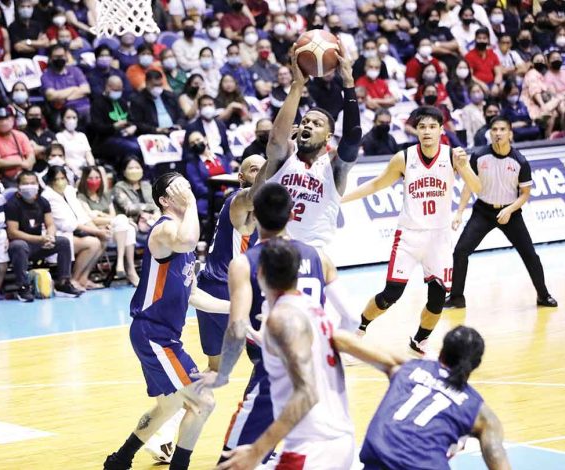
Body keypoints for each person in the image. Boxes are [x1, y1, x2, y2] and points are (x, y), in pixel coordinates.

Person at [193, 183, 358, 465]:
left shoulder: (246, 263)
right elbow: (352, 317)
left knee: (231, 460)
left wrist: (222, 374)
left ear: (254, 216)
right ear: (292, 215)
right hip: (322, 375)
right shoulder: (319, 256)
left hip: (274, 373)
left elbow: (237, 326)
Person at [103, 173, 229, 470]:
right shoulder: (166, 230)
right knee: (204, 403)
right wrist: (192, 202)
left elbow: (193, 294)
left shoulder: (181, 238)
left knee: (169, 405)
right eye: (180, 187)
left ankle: (120, 460)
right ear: (164, 200)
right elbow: (187, 240)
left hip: (159, 334)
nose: (187, 188)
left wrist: (235, 307)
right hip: (154, 333)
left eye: (188, 183)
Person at [342, 106, 482, 355]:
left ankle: (419, 341)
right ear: (416, 130)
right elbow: (376, 184)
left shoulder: (453, 156)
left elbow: (478, 189)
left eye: (432, 127)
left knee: (438, 300)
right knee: (390, 295)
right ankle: (360, 327)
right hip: (409, 236)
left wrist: (466, 166)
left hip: (439, 238)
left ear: (441, 130)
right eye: (422, 127)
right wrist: (340, 199)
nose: (427, 131)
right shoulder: (404, 158)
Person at [211, 237, 355, 470]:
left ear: (261, 277)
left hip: (310, 448)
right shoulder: (319, 322)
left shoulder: (278, 320)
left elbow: (306, 394)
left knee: (232, 463)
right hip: (344, 438)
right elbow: (355, 321)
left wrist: (257, 450)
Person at [358, 326, 512, 470]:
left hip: (379, 455)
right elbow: (499, 460)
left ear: (441, 352)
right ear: (476, 364)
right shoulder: (478, 411)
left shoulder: (409, 369)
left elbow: (346, 341)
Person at [446, 116, 557, 309]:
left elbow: (525, 194)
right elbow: (468, 187)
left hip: (511, 213)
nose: (498, 133)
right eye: (494, 129)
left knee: (530, 255)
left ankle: (543, 295)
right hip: (483, 211)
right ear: (490, 133)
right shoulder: (479, 156)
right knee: (460, 251)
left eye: (502, 129)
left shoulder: (520, 161)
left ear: (510, 134)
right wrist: (459, 213)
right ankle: (456, 297)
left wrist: (509, 209)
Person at [261, 43, 361, 248]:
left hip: (313, 251)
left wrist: (348, 83)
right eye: (306, 121)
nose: (308, 124)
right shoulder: (286, 154)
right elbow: (274, 140)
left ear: (328, 137)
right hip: (273, 248)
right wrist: (297, 85)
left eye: (317, 124)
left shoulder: (333, 167)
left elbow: (352, 137)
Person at [195, 154, 265, 372]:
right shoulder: (237, 200)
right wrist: (279, 158)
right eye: (256, 170)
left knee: (215, 369)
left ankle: (187, 406)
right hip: (226, 288)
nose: (262, 173)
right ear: (241, 177)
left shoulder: (266, 209)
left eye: (264, 169)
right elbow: (255, 195)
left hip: (214, 285)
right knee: (266, 360)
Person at [5, 171, 81, 301]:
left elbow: (50, 224)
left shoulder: (43, 201)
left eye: (32, 183)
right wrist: (40, 239)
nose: (29, 186)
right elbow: (13, 232)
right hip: (19, 245)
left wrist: (50, 236)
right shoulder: (12, 204)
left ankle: (63, 283)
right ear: (18, 186)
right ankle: (23, 287)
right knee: (19, 245)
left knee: (63, 241)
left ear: (38, 184)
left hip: (38, 244)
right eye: (25, 183)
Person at [41, 166, 108, 291]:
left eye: (63, 178)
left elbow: (81, 215)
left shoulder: (69, 191)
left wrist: (99, 232)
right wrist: (97, 231)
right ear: (50, 181)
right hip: (60, 234)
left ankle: (84, 278)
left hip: (77, 231)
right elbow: (67, 224)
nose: (60, 181)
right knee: (93, 243)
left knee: (103, 240)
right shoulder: (47, 196)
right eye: (57, 179)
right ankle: (74, 279)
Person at [77, 166, 139, 286]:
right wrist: (114, 220)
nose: (94, 180)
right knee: (125, 223)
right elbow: (90, 219)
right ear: (85, 179)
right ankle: (129, 269)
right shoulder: (81, 197)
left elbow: (112, 215)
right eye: (90, 178)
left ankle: (125, 266)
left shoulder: (105, 195)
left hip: (115, 231)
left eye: (97, 177)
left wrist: (102, 217)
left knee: (127, 226)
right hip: (99, 233)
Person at [185, 131, 233, 223]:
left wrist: (230, 190)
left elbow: (231, 177)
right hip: (210, 199)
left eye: (198, 140)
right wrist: (221, 194)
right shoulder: (192, 165)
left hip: (230, 193)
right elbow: (199, 188)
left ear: (205, 139)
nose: (196, 143)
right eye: (192, 143)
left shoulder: (221, 157)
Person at [0, 107, 36, 188]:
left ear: (12, 120)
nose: (4, 122)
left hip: (24, 174)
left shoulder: (20, 135)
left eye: (7, 119)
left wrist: (28, 163)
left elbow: (31, 155)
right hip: (4, 177)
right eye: (0, 120)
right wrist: (20, 163)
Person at [112, 157, 159, 242]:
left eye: (137, 168)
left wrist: (156, 213)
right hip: (133, 224)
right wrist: (147, 207)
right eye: (131, 168)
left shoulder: (147, 185)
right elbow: (129, 208)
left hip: (152, 221)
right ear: (124, 171)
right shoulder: (119, 186)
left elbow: (156, 205)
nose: (134, 170)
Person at [40, 44, 91, 119]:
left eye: (62, 56)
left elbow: (86, 89)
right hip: (63, 111)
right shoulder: (46, 76)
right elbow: (51, 95)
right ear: (50, 58)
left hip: (83, 107)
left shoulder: (75, 70)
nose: (60, 59)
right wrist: (74, 89)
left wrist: (65, 98)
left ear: (66, 57)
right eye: (56, 57)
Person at [130, 70, 183, 136]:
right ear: (147, 83)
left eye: (160, 85)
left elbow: (181, 115)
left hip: (175, 132)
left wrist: (179, 124)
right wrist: (155, 129)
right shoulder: (138, 100)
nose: (158, 88)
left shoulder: (170, 96)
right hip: (154, 134)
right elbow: (138, 123)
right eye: (155, 85)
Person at [183, 94, 233, 163]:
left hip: (222, 160)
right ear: (199, 108)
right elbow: (186, 154)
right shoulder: (192, 127)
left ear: (214, 106)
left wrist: (231, 161)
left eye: (210, 104)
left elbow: (226, 148)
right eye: (204, 105)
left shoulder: (220, 124)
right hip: (203, 163)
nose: (208, 107)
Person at [55, 107, 96, 177]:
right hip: (68, 169)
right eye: (68, 117)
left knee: (100, 171)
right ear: (62, 120)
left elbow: (88, 154)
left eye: (74, 117)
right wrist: (74, 170)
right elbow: (60, 157)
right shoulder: (59, 136)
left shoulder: (82, 135)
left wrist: (92, 168)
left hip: (84, 168)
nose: (71, 120)